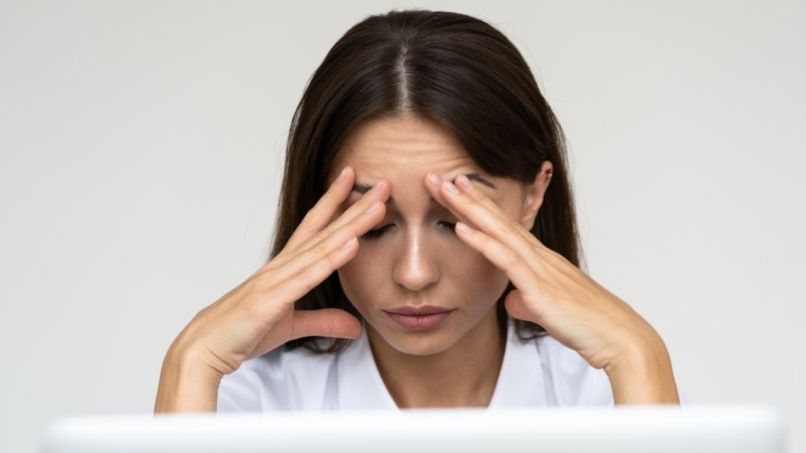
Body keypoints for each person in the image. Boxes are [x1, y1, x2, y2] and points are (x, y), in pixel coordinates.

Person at [154, 9, 681, 413]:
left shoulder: (607, 392)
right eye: (376, 226)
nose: (414, 273)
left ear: (532, 195)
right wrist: (192, 359)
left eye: (454, 221)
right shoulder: (249, 403)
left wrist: (639, 354)